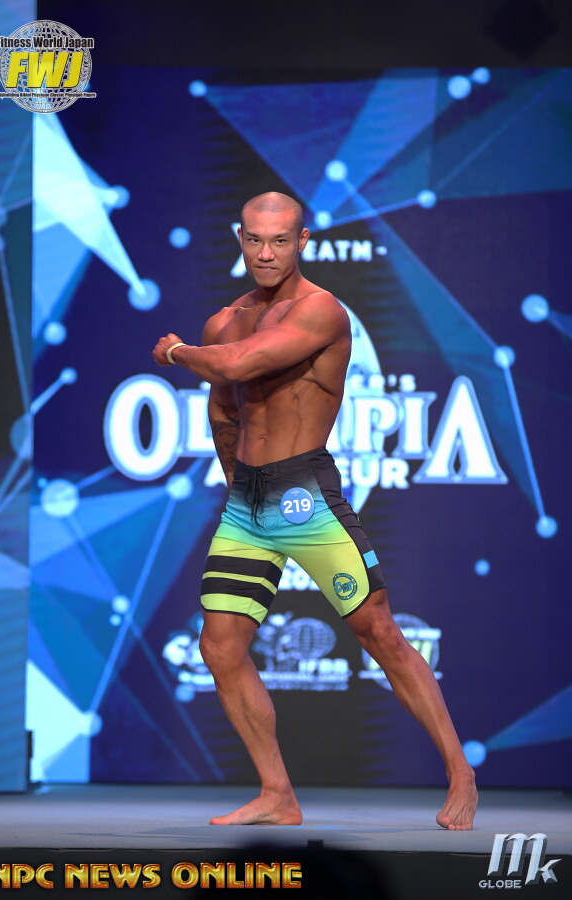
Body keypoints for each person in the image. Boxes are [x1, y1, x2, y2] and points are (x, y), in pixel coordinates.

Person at [152, 191, 478, 830]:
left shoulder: (321, 310)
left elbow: (239, 365)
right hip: (247, 502)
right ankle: (278, 794)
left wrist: (174, 353)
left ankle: (460, 773)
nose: (266, 253)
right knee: (219, 646)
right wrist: (238, 487)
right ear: (240, 238)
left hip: (306, 496)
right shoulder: (225, 320)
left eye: (280, 240)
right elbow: (223, 410)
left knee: (378, 632)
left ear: (302, 241)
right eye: (255, 240)